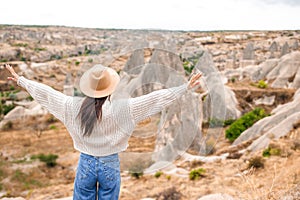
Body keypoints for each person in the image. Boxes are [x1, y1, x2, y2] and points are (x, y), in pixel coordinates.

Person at [5, 63, 202, 200]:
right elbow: (155, 99)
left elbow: (47, 95)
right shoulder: (124, 108)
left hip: (86, 162)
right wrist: (184, 87)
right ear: (110, 89)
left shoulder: (72, 106)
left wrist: (21, 80)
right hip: (110, 163)